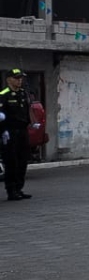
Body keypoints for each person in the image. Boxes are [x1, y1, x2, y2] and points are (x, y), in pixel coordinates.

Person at [1, 68, 34, 198]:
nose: (19, 81)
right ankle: (11, 190)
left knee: (22, 160)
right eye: (16, 78)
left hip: (22, 131)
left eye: (21, 78)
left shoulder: (23, 93)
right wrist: (3, 131)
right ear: (9, 80)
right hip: (10, 132)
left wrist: (31, 122)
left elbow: (26, 111)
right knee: (11, 161)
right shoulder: (4, 94)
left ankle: (19, 188)